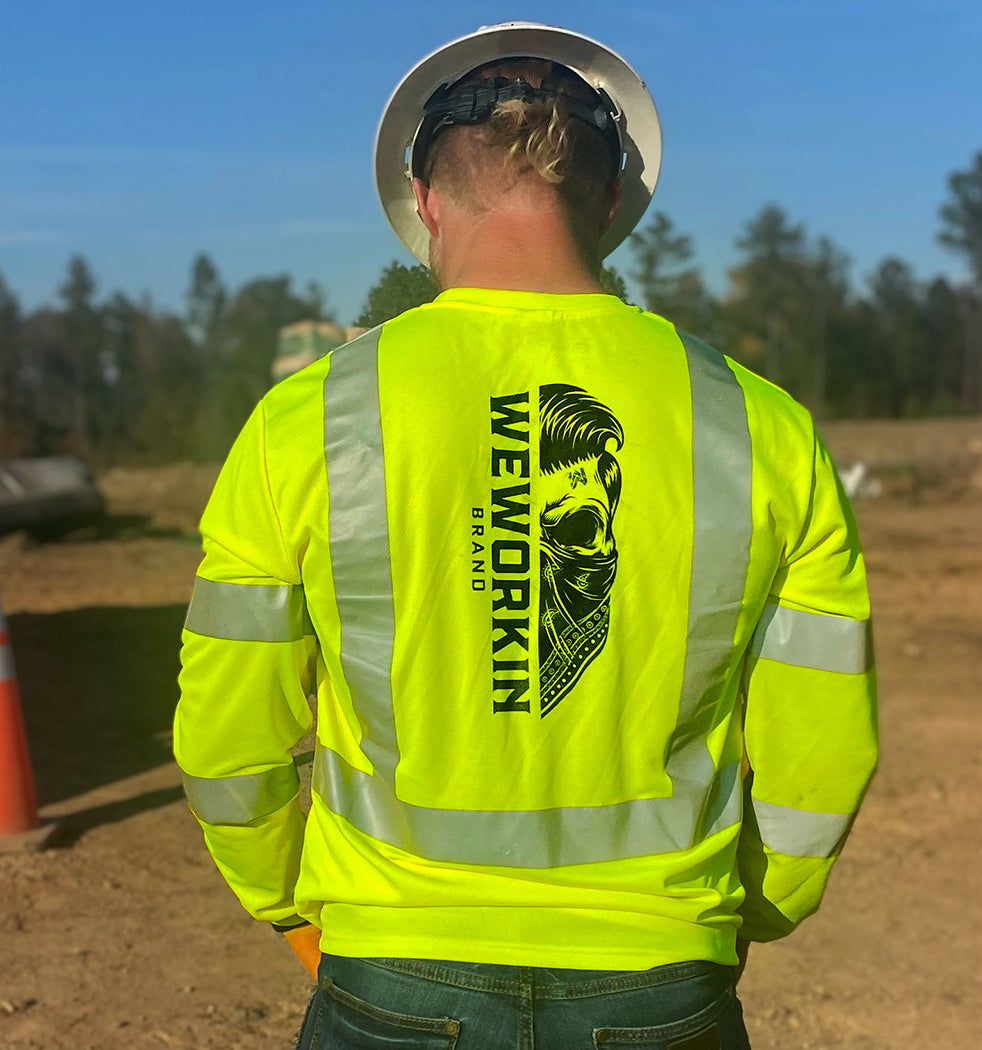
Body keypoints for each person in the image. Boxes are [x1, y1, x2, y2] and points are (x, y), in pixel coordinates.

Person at [174, 22, 878, 1049]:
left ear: (422, 201)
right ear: (606, 203)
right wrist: (741, 912)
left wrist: (290, 905)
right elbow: (822, 747)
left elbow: (226, 736)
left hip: (392, 967)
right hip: (663, 974)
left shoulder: (309, 421)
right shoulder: (758, 424)